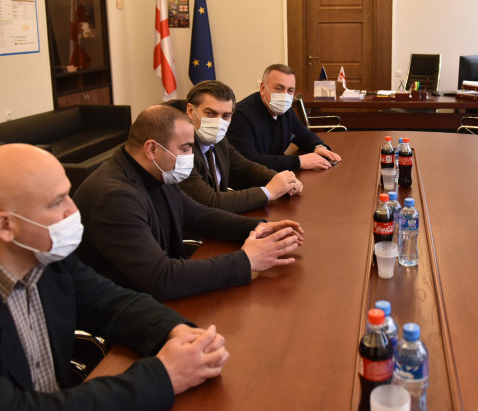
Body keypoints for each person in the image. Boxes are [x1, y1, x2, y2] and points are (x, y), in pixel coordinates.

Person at [0, 144, 229, 410]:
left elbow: (113, 304)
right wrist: (163, 375)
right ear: (5, 226)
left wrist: (178, 333)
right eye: (58, 202)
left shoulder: (40, 251)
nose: (74, 211)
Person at [73, 105, 304, 301]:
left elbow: (199, 215)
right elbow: (161, 278)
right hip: (125, 307)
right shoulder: (114, 198)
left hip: (154, 295)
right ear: (152, 149)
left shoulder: (157, 170)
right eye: (184, 149)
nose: (190, 157)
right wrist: (245, 261)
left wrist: (258, 228)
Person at [178, 80, 303, 214]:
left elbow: (245, 168)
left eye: (226, 116)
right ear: (190, 111)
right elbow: (210, 202)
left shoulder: (219, 139)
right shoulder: (180, 150)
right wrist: (269, 192)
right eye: (210, 114)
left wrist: (283, 181)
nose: (218, 122)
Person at [227, 63, 342, 171]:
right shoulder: (241, 115)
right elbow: (248, 160)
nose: (285, 95)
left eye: (290, 90)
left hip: (274, 174)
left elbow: (303, 134)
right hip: (249, 183)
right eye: (279, 88)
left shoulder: (285, 111)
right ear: (262, 88)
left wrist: (318, 146)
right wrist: (298, 161)